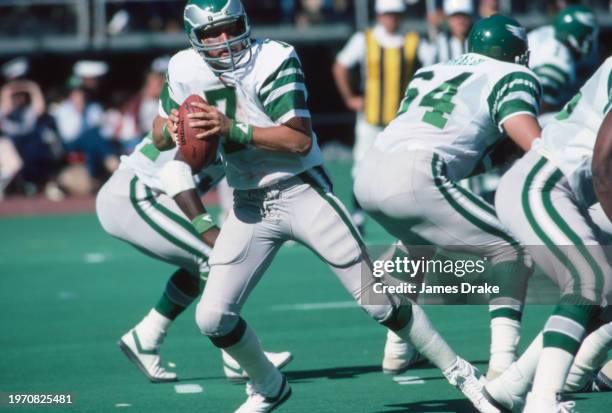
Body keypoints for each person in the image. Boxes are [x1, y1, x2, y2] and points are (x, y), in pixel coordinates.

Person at [154, 1, 500, 412]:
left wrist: (233, 128)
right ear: (196, 38)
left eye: (230, 28)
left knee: (377, 299)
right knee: (212, 318)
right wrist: (172, 126)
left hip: (301, 190)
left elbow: (298, 139)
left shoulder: (273, 58)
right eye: (213, 33)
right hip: (249, 204)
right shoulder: (182, 67)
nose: (225, 40)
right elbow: (159, 134)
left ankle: (461, 372)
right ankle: (268, 385)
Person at [354, 15, 542, 381]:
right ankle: (503, 365)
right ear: (516, 52)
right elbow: (531, 141)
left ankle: (397, 348)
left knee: (416, 240)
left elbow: (431, 136)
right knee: (513, 249)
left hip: (371, 171)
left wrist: (489, 158)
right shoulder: (512, 74)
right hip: (415, 175)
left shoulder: (433, 71)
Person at [96, 131, 292, 383]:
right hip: (136, 193)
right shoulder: (210, 103)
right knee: (217, 258)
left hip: (148, 193)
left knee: (200, 263)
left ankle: (146, 336)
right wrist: (205, 226)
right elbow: (169, 157)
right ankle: (237, 356)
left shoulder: (236, 110)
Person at [483, 57, 612, 413]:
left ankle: (512, 385)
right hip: (543, 184)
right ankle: (542, 402)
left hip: (560, 187)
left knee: (607, 291)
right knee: (592, 280)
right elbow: (603, 161)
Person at [332, 0, 422, 235]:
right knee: (361, 165)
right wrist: (350, 97)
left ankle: (404, 216)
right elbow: (340, 66)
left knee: (404, 168)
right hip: (371, 118)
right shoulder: (365, 39)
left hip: (400, 120)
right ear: (380, 15)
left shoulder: (414, 40)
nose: (392, 19)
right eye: (387, 14)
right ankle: (358, 214)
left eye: (396, 14)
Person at [527, 5, 598, 120]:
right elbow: (540, 110)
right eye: (587, 35)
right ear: (577, 36)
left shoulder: (547, 32)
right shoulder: (558, 60)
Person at [420, 0, 475, 66]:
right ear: (448, 19)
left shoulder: (477, 42)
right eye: (456, 16)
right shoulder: (438, 42)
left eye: (464, 16)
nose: (460, 21)